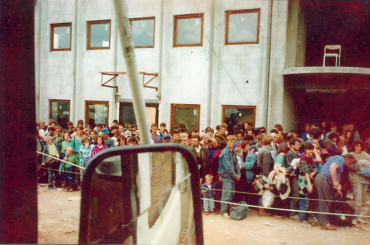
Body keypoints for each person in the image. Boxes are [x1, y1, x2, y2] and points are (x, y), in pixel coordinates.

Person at [314, 154, 357, 230]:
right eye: (350, 162)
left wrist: (337, 189)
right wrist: (334, 181)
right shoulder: (340, 158)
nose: (349, 164)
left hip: (321, 178)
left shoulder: (338, 161)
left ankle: (323, 221)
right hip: (324, 178)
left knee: (325, 200)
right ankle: (325, 223)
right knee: (326, 201)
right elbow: (332, 167)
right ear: (347, 159)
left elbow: (336, 175)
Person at [218, 135, 241, 218]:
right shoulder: (225, 153)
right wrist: (236, 176)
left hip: (232, 176)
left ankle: (228, 209)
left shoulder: (233, 151)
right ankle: (223, 211)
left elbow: (236, 164)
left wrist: (239, 174)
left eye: (233, 142)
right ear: (227, 142)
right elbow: (228, 168)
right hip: (227, 176)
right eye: (230, 141)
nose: (232, 143)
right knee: (226, 194)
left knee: (232, 194)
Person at [349, 141, 370, 224]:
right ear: (354, 146)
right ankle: (354, 217)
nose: (358, 148)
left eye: (360, 146)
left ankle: (360, 217)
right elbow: (350, 166)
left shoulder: (364, 154)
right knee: (357, 198)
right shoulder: (351, 155)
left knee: (363, 200)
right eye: (357, 146)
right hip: (356, 179)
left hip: (365, 179)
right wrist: (360, 163)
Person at [298, 143, 318, 227]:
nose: (310, 151)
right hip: (303, 181)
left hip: (309, 179)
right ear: (305, 150)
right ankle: (302, 219)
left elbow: (315, 168)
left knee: (307, 200)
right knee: (303, 200)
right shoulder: (303, 159)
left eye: (311, 149)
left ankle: (306, 217)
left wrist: (312, 174)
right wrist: (309, 184)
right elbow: (305, 172)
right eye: (308, 149)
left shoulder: (311, 159)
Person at [272, 145, 290, 220]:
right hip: (280, 179)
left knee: (280, 196)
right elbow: (276, 167)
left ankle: (278, 213)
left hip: (279, 179)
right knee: (281, 196)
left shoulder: (279, 156)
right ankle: (278, 214)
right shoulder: (281, 157)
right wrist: (280, 177)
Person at [286, 137, 301, 215]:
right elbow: (290, 166)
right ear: (292, 145)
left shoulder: (297, 153)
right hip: (293, 176)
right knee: (295, 195)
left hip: (299, 176)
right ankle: (292, 212)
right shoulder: (289, 154)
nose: (299, 146)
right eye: (297, 144)